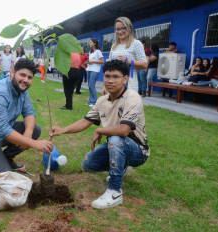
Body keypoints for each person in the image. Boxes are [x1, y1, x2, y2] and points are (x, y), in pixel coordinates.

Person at [50, 60, 150, 209]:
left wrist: (99, 130)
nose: (110, 80)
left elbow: (124, 131)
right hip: (115, 146)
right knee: (88, 163)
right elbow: (85, 121)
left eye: (115, 76)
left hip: (137, 150)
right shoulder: (102, 100)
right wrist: (63, 130)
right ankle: (122, 166)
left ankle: (115, 191)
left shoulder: (132, 97)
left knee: (117, 139)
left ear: (125, 79)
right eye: (107, 76)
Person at [106, 17, 147, 94]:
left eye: (123, 28)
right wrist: (105, 86)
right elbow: (109, 67)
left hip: (129, 83)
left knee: (127, 104)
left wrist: (128, 61)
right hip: (113, 83)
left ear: (130, 28)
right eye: (117, 29)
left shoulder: (136, 43)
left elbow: (144, 64)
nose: (120, 31)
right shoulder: (114, 45)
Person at [86, 38, 104, 107]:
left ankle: (95, 102)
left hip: (95, 70)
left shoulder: (98, 51)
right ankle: (90, 101)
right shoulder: (90, 52)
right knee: (89, 86)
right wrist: (88, 62)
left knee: (92, 85)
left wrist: (92, 62)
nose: (89, 43)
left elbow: (102, 61)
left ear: (94, 43)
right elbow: (90, 60)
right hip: (89, 69)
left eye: (91, 42)